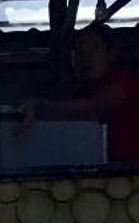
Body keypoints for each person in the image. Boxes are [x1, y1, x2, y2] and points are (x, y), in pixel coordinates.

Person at [25, 23, 139, 165]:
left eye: (93, 49)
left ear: (111, 54)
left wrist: (39, 107)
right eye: (79, 52)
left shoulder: (125, 80)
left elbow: (94, 108)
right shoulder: (80, 94)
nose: (86, 58)